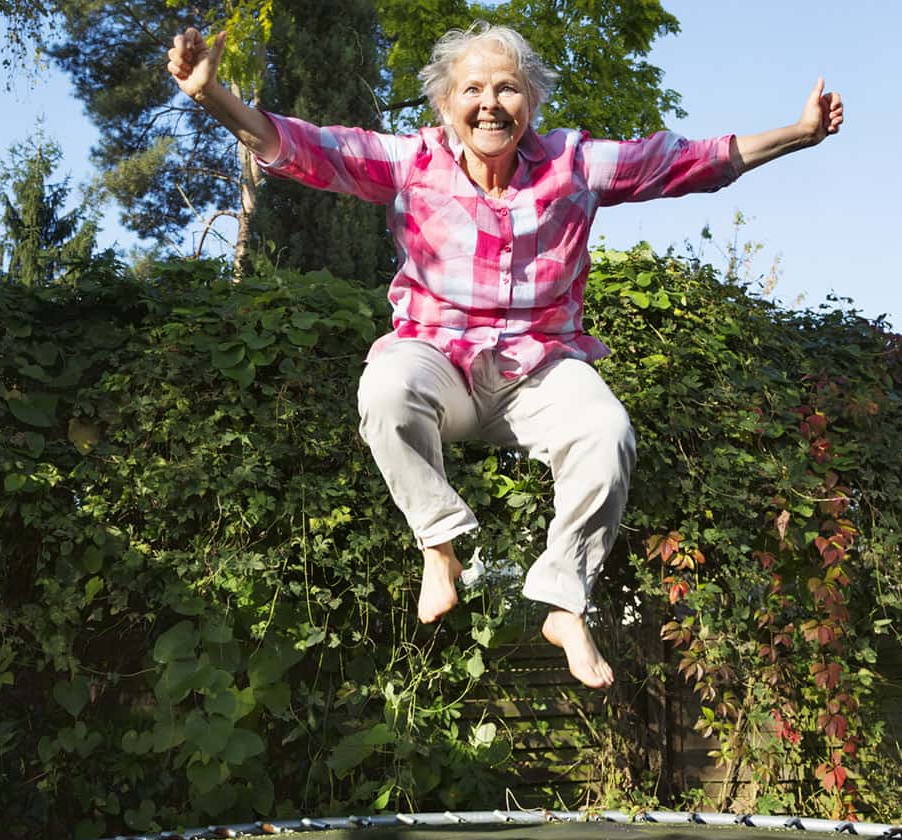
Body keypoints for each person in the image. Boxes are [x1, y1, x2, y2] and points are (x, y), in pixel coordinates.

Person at [166, 22, 843, 689]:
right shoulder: (412, 163)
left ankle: (565, 604)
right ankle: (438, 547)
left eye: (508, 88)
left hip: (539, 373)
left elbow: (687, 162)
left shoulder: (573, 164)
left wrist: (798, 133)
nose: (490, 103)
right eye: (472, 89)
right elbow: (305, 148)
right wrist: (212, 95)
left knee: (607, 431)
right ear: (445, 104)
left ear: (532, 102)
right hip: (440, 362)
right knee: (385, 390)